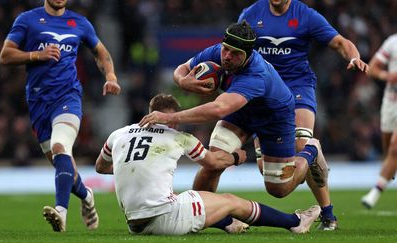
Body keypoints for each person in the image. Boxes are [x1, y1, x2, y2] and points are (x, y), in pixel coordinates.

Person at [140, 21, 327, 207]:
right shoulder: (217, 53)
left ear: (248, 55)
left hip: (274, 119)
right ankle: (198, 213)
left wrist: (169, 117)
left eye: (235, 53)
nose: (227, 56)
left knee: (278, 189)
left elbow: (218, 109)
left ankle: (311, 149)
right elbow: (182, 68)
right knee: (213, 162)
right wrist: (182, 81)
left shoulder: (256, 75)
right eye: (226, 49)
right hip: (241, 112)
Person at [96, 93, 320, 235]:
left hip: (134, 223)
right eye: (175, 119)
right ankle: (296, 221)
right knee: (230, 200)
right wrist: (235, 157)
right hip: (162, 217)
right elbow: (212, 162)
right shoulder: (179, 137)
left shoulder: (119, 134)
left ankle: (227, 224)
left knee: (187, 197)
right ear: (172, 117)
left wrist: (136, 164)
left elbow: (101, 167)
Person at [236, 0, 369, 230]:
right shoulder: (251, 14)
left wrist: (353, 57)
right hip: (265, 91)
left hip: (297, 87)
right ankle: (312, 151)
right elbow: (237, 50)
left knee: (300, 144)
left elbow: (339, 42)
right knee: (269, 174)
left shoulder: (305, 15)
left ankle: (328, 214)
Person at [0, 0, 121, 232]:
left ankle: (61, 213)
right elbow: (5, 56)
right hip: (38, 103)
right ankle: (86, 196)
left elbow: (101, 52)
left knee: (60, 147)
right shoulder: (27, 20)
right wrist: (37, 55)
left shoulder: (80, 23)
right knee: (62, 164)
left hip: (68, 97)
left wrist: (111, 76)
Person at [361, 34, 397, 209]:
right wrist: (386, 75)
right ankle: (389, 169)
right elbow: (372, 68)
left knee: (395, 148)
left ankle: (374, 193)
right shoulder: (392, 42)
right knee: (388, 150)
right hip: (391, 103)